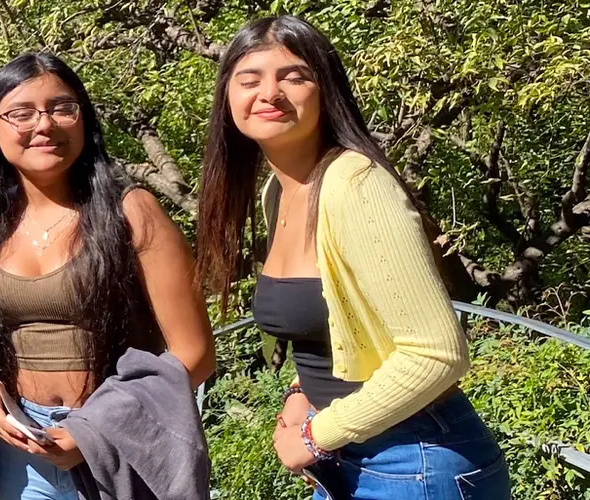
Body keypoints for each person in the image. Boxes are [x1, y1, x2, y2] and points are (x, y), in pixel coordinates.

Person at [194, 15, 510, 499]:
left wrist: (315, 436)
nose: (270, 93)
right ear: (227, 98)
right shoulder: (277, 191)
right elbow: (336, 326)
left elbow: (437, 355)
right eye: (249, 79)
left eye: (294, 77)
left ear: (326, 91)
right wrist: (303, 393)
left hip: (415, 459)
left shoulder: (356, 185)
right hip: (352, 457)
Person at [0, 53, 215, 500]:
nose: (45, 125)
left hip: (122, 443)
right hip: (20, 450)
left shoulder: (132, 212)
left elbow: (195, 353)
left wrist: (92, 430)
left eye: (62, 107)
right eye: (21, 113)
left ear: (84, 120)